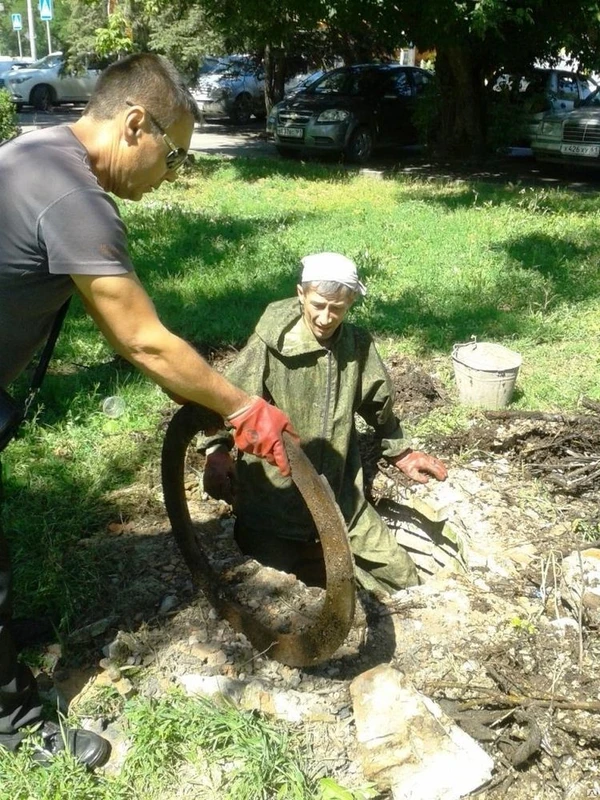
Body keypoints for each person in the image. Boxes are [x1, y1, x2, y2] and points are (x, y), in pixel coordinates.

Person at [0, 53, 296, 768]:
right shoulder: (73, 194)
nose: (172, 175)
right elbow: (142, 339)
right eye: (174, 155)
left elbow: (129, 338)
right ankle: (11, 722)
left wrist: (202, 400)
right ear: (136, 124)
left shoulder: (36, 151)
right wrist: (244, 409)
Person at [203, 252, 448, 595]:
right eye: (318, 304)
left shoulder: (356, 345)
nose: (326, 317)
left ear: (350, 304)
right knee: (277, 592)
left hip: (341, 495)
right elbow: (225, 400)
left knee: (404, 580)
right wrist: (216, 451)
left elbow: (378, 402)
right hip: (273, 503)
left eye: (338, 308)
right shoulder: (270, 345)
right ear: (301, 293)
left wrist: (401, 451)